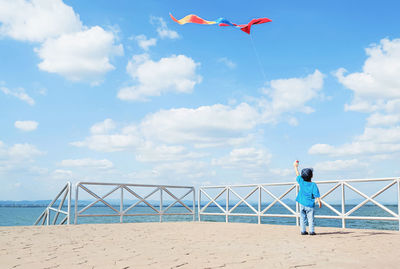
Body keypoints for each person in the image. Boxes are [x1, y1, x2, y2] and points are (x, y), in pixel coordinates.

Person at [293, 160, 321, 235]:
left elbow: (297, 174)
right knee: (310, 218)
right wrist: (319, 202)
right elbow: (316, 195)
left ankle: (303, 231)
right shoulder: (313, 185)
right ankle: (311, 231)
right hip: (310, 204)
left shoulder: (301, 182)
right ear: (311, 176)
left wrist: (295, 166)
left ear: (302, 177)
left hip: (302, 203)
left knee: (302, 218)